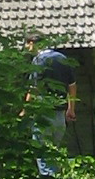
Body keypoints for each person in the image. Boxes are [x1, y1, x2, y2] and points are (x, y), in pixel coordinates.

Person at [26, 38, 79, 167]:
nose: (27, 48)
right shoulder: (62, 58)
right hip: (60, 114)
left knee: (43, 154)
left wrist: (25, 110)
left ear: (33, 43)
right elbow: (72, 86)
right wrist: (71, 108)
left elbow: (34, 89)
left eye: (27, 44)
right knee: (54, 151)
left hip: (43, 114)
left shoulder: (38, 61)